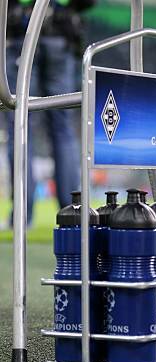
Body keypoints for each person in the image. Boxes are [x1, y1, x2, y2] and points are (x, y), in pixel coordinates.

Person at [5, 0, 95, 225]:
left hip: (22, 35)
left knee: (20, 124)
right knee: (62, 127)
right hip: (60, 35)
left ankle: (22, 216)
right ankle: (72, 212)